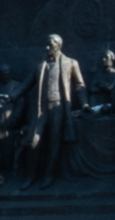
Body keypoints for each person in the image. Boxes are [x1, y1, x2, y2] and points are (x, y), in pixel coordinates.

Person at [15, 35, 85, 182]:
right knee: (33, 142)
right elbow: (26, 84)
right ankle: (30, 176)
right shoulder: (40, 66)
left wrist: (84, 103)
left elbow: (80, 86)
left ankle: (49, 175)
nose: (47, 48)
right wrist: (10, 97)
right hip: (42, 108)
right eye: (46, 45)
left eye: (50, 45)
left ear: (59, 45)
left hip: (59, 107)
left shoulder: (71, 63)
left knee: (54, 142)